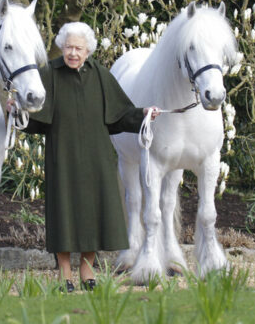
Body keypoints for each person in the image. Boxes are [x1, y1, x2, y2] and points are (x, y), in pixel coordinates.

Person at [12, 22, 158, 292]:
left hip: (97, 157)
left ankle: (87, 270)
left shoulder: (101, 75)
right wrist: (16, 111)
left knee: (95, 213)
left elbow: (120, 115)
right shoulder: (49, 74)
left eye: (78, 48)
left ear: (88, 50)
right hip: (62, 157)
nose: (73, 53)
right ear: (61, 47)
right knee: (64, 214)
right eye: (68, 47)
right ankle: (65, 274)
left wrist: (144, 113)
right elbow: (35, 120)